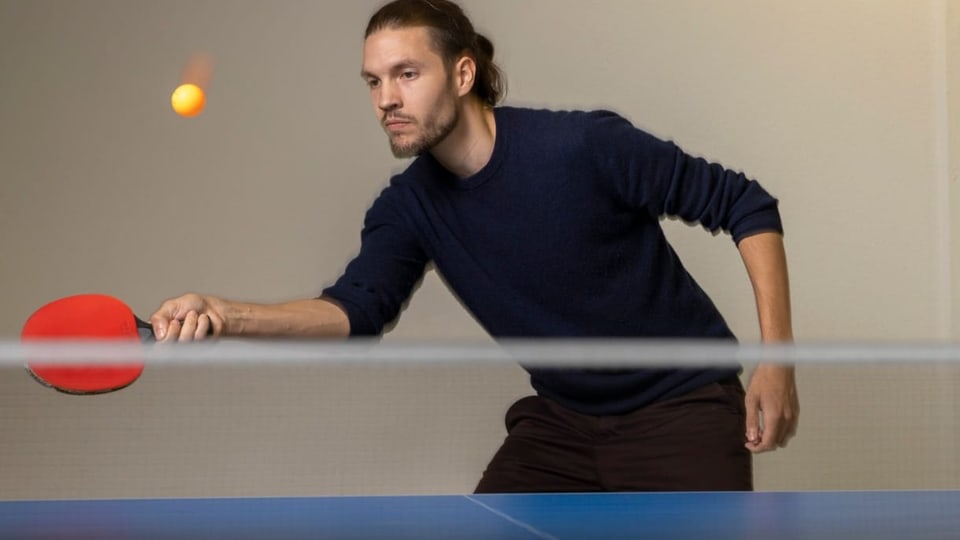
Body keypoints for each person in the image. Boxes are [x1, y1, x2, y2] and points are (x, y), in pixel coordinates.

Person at [150, 0, 799, 492]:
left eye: (406, 74)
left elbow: (745, 204)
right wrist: (226, 314)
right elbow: (354, 312)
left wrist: (776, 361)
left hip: (681, 412)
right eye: (373, 82)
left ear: (463, 73)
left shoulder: (582, 148)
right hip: (563, 424)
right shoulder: (407, 208)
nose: (386, 99)